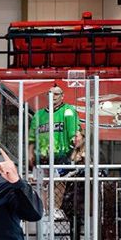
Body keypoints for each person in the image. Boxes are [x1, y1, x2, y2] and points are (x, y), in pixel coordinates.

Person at [27, 85, 85, 219]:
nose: (53, 96)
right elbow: (31, 138)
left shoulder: (68, 111)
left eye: (56, 94)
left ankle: (54, 208)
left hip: (61, 154)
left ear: (62, 96)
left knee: (59, 181)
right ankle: (42, 208)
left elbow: (75, 133)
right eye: (50, 94)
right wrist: (30, 154)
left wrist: (77, 147)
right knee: (42, 183)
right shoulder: (39, 114)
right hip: (42, 154)